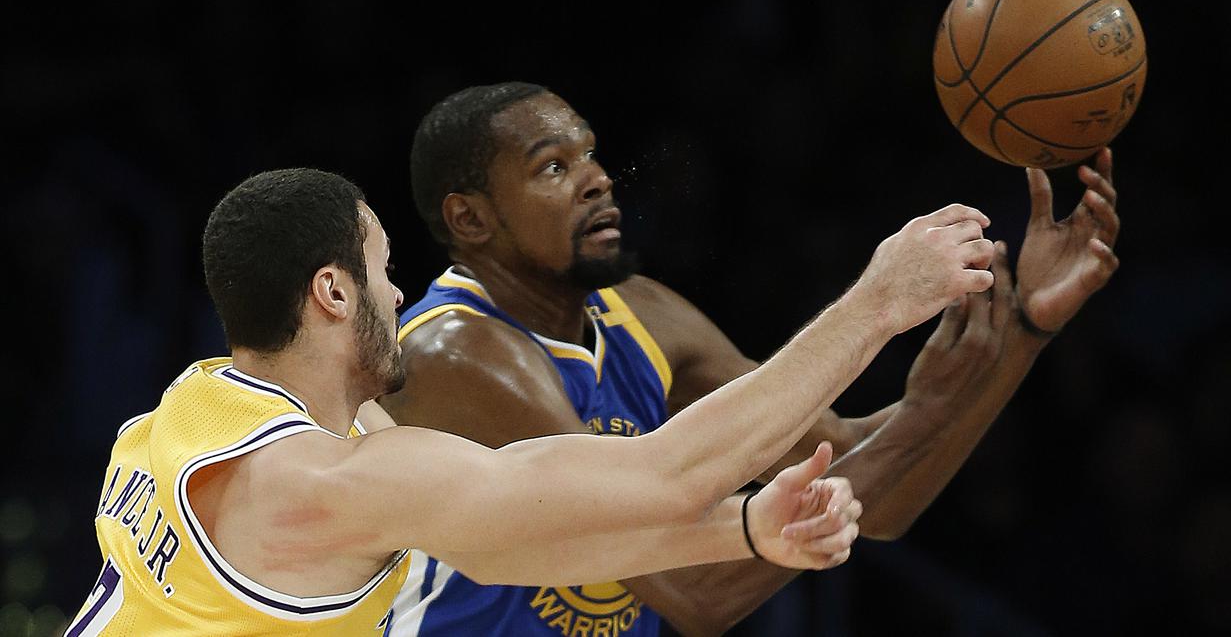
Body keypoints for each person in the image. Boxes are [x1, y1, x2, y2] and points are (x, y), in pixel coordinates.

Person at [68, 167, 994, 635]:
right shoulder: (317, 483)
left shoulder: (189, 409)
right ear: (333, 293)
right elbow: (662, 474)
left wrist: (743, 533)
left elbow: (507, 544)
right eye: (384, 271)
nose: (401, 295)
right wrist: (879, 304)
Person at [379, 82, 1121, 635]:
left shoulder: (641, 310)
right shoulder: (455, 355)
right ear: (469, 219)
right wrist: (877, 307)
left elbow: (866, 488)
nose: (597, 178)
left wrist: (1024, 330)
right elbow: (694, 592)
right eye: (551, 167)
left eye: (589, 153)